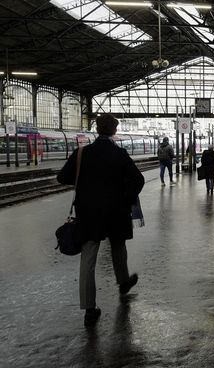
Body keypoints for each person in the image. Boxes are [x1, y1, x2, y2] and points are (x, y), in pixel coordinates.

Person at [57, 114, 145, 327]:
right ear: (114, 130)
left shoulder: (81, 154)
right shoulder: (120, 154)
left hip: (89, 213)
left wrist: (87, 183)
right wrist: (125, 199)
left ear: (97, 129)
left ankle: (89, 309)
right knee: (118, 247)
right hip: (116, 212)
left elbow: (63, 178)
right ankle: (123, 282)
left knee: (88, 259)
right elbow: (138, 180)